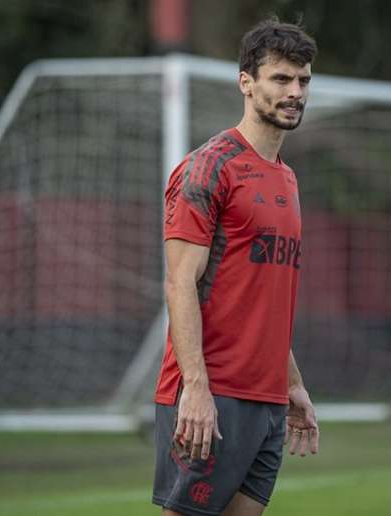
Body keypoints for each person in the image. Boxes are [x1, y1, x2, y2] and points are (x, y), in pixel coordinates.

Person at [152, 18, 319, 516]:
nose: (295, 92)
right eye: (281, 79)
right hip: (213, 393)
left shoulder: (287, 179)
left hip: (267, 398)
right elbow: (180, 284)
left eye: (303, 80)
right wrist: (197, 389)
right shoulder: (209, 168)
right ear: (246, 81)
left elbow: (262, 298)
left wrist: (290, 383)